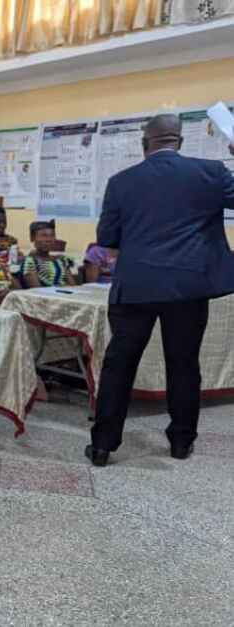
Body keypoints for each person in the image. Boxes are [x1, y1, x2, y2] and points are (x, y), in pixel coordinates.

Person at [85, 114, 234, 467]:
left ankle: (104, 445)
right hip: (188, 286)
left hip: (136, 285)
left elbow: (107, 239)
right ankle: (181, 441)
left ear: (144, 144)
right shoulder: (211, 172)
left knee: (119, 364)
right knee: (183, 363)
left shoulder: (121, 182)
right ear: (180, 142)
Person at [20, 221, 79, 288]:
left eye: (52, 235)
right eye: (43, 236)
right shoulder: (30, 263)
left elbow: (73, 286)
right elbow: (37, 291)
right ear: (32, 238)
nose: (49, 240)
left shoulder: (61, 260)